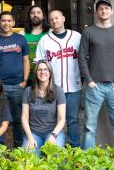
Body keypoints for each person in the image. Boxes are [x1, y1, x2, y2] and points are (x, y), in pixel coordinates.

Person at [79, 0, 114, 151]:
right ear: (96, 12)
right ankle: (87, 160)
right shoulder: (88, 32)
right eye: (101, 9)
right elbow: (82, 57)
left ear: (111, 11)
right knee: (89, 127)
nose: (104, 11)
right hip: (95, 87)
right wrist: (89, 81)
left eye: (107, 8)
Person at [35, 10, 82, 147]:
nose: (54, 21)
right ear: (49, 22)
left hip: (74, 87)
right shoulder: (45, 40)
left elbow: (85, 59)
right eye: (51, 19)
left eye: (57, 18)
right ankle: (53, 148)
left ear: (63, 18)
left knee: (72, 120)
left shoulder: (77, 36)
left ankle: (75, 150)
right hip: (52, 88)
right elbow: (38, 63)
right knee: (52, 119)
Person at [0, 11, 30, 147]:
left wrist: (25, 80)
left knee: (18, 118)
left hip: (18, 85)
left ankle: (18, 147)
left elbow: (26, 60)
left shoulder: (20, 39)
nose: (6, 23)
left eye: (9, 21)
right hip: (0, 86)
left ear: (13, 23)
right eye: (3, 21)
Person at [22, 60, 66, 155]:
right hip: (33, 133)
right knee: (28, 155)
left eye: (46, 69)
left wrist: (53, 135)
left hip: (53, 132)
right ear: (36, 73)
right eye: (39, 70)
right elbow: (24, 118)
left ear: (50, 72)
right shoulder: (28, 91)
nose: (42, 72)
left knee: (54, 153)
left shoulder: (58, 91)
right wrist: (30, 137)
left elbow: (62, 119)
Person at [19, 5, 48, 86]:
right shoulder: (22, 33)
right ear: (29, 16)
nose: (35, 15)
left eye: (38, 12)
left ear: (43, 16)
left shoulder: (50, 32)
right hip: (27, 76)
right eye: (32, 13)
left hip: (45, 75)